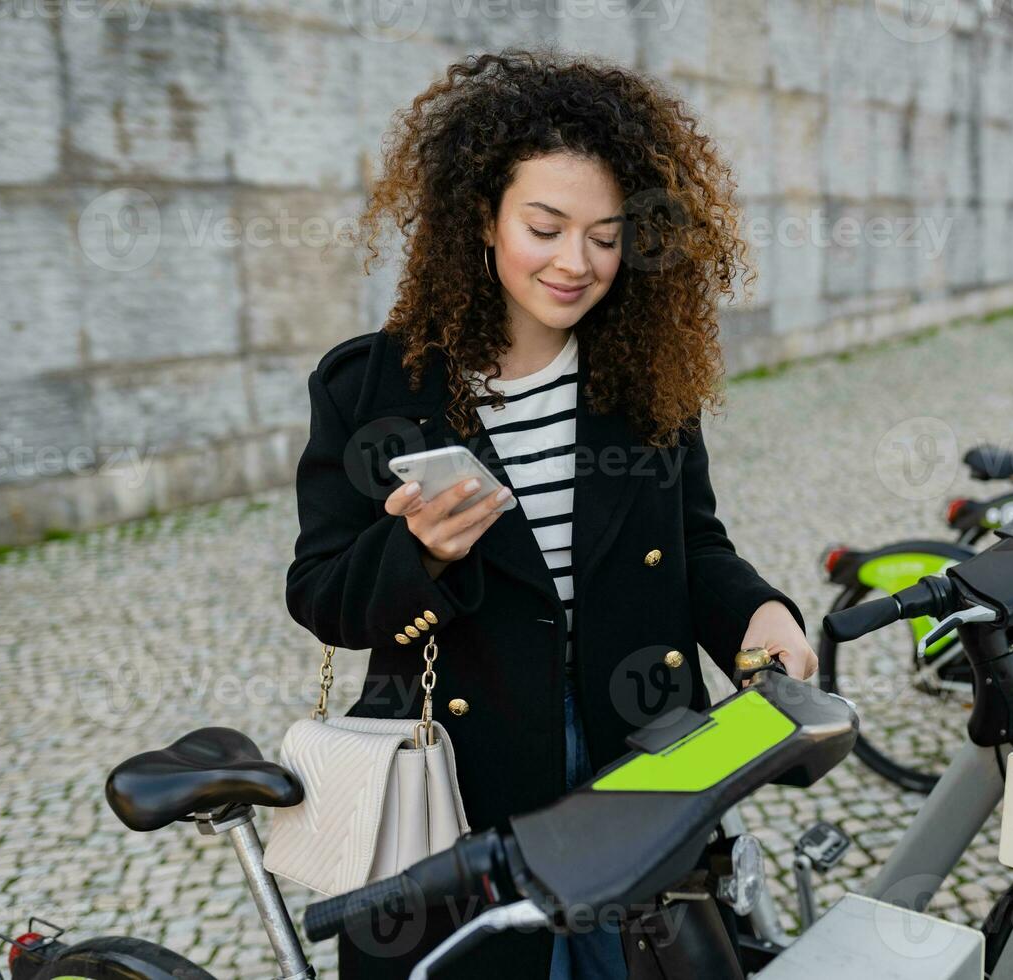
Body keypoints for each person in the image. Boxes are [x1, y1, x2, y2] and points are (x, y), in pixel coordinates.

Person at [285, 47, 817, 980]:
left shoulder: (646, 378)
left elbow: (694, 544)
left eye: (606, 236)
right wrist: (419, 554)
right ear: (482, 219)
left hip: (640, 751)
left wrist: (759, 613)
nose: (576, 263)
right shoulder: (369, 387)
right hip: (466, 775)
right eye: (546, 226)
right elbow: (322, 594)